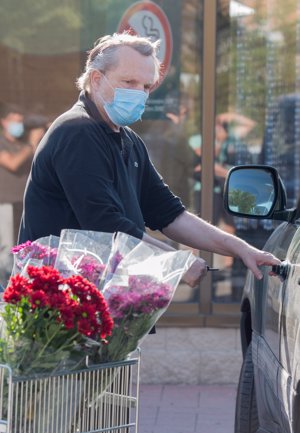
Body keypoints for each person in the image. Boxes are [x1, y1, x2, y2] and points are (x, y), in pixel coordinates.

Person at [18, 32, 280, 287]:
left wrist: (242, 249)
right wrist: (174, 262)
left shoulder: (128, 140)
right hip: (58, 305)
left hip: (103, 303)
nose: (139, 93)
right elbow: (105, 225)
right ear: (96, 80)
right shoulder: (78, 132)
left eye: (145, 86)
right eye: (129, 82)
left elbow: (170, 214)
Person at [0, 103, 38, 286]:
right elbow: (12, 163)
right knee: (6, 248)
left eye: (21, 122)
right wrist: (32, 144)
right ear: (4, 122)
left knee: (21, 246)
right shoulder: (2, 142)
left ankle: (18, 283)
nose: (19, 126)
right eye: (15, 122)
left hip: (23, 203)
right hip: (5, 203)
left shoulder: (23, 144)